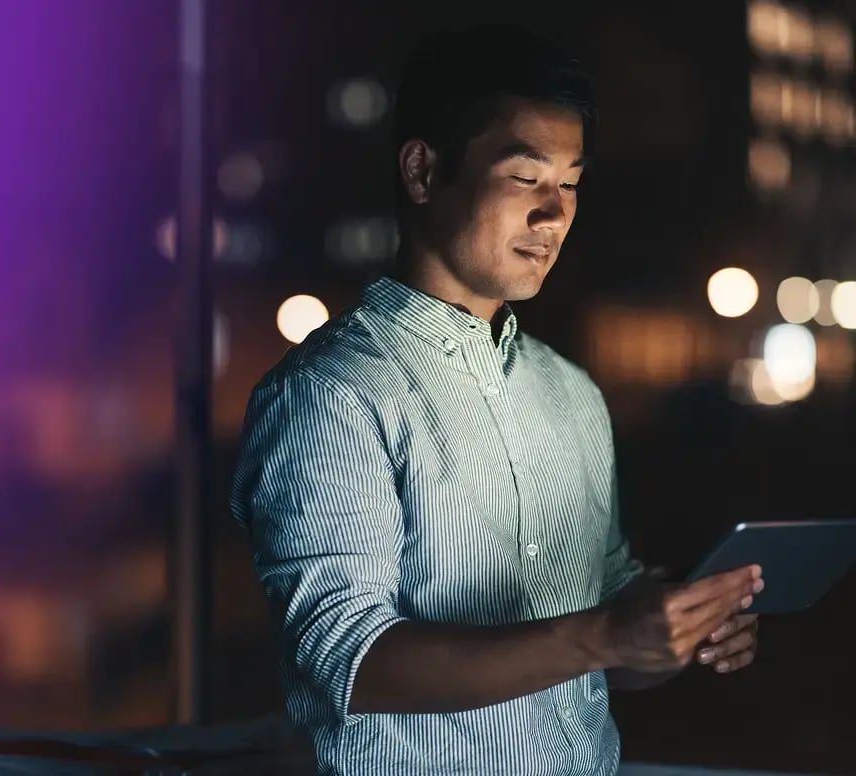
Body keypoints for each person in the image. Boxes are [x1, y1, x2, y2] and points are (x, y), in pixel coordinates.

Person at [230, 23, 763, 775]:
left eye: (570, 184)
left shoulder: (570, 391)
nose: (554, 215)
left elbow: (602, 642)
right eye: (525, 178)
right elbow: (347, 661)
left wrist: (669, 636)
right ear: (422, 171)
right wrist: (604, 634)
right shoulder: (330, 395)